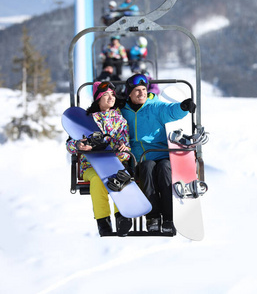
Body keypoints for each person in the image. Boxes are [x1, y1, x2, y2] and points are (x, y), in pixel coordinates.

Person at [120, 74, 196, 233]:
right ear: (129, 93)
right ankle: (153, 216)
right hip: (140, 158)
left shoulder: (154, 106)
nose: (141, 93)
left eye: (143, 90)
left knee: (164, 169)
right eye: (137, 91)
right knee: (147, 168)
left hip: (161, 154)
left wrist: (183, 107)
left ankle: (169, 217)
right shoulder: (123, 111)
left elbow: (170, 110)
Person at [66, 81, 133, 237]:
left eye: (112, 94)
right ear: (98, 98)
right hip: (91, 166)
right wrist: (78, 145)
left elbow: (126, 151)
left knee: (118, 177)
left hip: (113, 164)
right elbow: (69, 146)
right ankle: (103, 222)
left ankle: (121, 217)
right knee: (97, 179)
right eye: (105, 95)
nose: (110, 98)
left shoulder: (120, 120)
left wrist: (123, 149)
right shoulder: (85, 120)